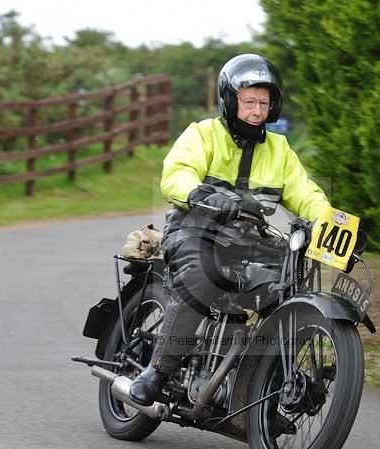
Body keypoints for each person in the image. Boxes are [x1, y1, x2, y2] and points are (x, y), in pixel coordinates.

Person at [129, 53, 332, 406]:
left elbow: (306, 193)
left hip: (248, 240)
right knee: (203, 276)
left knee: (285, 289)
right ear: (230, 100)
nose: (257, 111)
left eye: (264, 103)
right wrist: (198, 193)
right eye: (249, 101)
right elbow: (176, 174)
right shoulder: (203, 134)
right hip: (194, 229)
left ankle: (264, 390)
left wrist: (331, 222)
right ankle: (157, 370)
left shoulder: (280, 150)